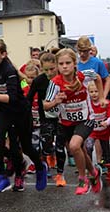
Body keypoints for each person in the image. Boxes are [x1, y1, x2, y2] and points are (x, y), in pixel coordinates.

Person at [0, 39, 47, 192]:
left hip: (20, 112)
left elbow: (12, 98)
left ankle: (40, 168)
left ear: (3, 54)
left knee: (24, 147)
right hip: (5, 111)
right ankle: (2, 177)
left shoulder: (10, 71)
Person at [45, 48, 104, 195]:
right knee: (80, 150)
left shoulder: (84, 75)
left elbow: (99, 77)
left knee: (74, 146)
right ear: (57, 66)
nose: (64, 66)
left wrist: (101, 97)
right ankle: (94, 172)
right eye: (61, 63)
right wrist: (55, 101)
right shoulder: (55, 83)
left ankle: (83, 180)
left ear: (74, 63)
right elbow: (45, 105)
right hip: (65, 122)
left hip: (86, 119)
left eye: (68, 63)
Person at [27, 52, 65, 186]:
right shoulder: (39, 81)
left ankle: (60, 174)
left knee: (60, 146)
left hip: (62, 117)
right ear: (42, 68)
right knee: (46, 145)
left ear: (56, 66)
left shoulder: (63, 78)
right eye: (46, 70)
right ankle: (49, 156)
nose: (49, 72)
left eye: (52, 69)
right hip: (46, 117)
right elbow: (29, 99)